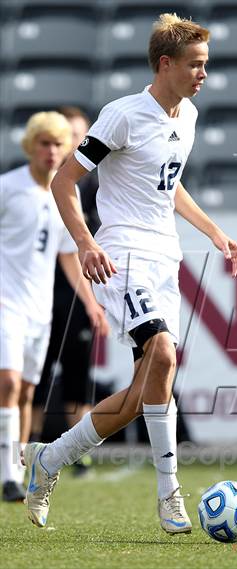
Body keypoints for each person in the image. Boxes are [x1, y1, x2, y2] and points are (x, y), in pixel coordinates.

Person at [22, 13, 237, 534]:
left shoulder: (185, 116)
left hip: (164, 259)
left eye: (206, 65)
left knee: (140, 394)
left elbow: (169, 188)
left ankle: (48, 460)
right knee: (165, 351)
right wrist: (85, 243)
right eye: (195, 65)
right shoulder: (122, 116)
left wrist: (214, 232)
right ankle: (170, 496)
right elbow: (65, 180)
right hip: (120, 255)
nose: (203, 74)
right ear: (165, 64)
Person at [0, 111, 108, 502]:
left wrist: (92, 304)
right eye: (44, 143)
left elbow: (67, 255)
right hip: (6, 304)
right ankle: (9, 474)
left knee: (28, 391)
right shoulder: (8, 187)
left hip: (39, 310)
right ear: (32, 146)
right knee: (9, 384)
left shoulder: (67, 193)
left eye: (58, 144)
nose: (51, 151)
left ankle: (16, 464)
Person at [31, 107, 104, 478]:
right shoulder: (42, 185)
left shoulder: (93, 185)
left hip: (76, 292)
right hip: (41, 292)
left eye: (80, 135)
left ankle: (80, 453)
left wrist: (92, 301)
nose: (76, 141)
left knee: (79, 374)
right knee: (36, 374)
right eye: (68, 134)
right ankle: (28, 447)